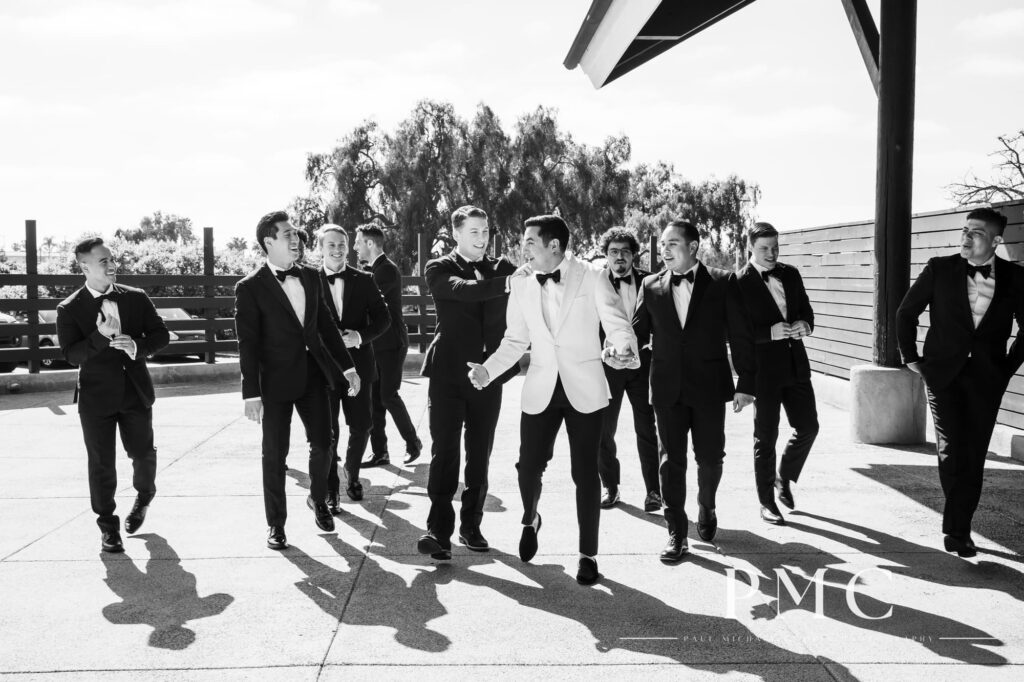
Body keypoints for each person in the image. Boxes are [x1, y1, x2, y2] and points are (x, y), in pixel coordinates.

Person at [468, 215, 639, 586]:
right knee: (527, 468)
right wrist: (487, 370)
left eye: (530, 241)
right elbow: (515, 340)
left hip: (587, 390)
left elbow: (617, 322)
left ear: (554, 246)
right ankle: (531, 517)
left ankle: (587, 555)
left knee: (585, 475)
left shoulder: (593, 276)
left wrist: (623, 349)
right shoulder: (521, 284)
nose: (524, 248)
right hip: (541, 389)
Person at [896, 207, 1024, 558]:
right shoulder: (939, 268)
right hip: (941, 375)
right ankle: (958, 530)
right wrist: (912, 359)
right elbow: (906, 313)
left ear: (996, 241)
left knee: (974, 453)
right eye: (965, 230)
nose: (966, 237)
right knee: (951, 451)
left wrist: (1005, 368)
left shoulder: (1016, 278)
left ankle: (958, 529)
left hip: (987, 377)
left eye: (977, 233)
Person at [235, 210, 361, 550]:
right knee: (274, 455)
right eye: (287, 234)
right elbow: (247, 344)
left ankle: (318, 498)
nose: (296, 239)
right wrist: (251, 394)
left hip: (313, 375)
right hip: (274, 383)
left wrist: (347, 367)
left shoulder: (310, 277)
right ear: (268, 242)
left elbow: (324, 328)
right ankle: (276, 524)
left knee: (324, 442)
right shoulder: (249, 288)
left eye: (296, 234)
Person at [633, 220, 755, 563]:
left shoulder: (722, 281)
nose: (666, 250)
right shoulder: (651, 285)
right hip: (667, 387)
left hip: (709, 387)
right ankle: (676, 533)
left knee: (711, 457)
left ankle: (707, 505)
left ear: (693, 247)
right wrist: (620, 349)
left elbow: (741, 334)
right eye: (664, 244)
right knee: (671, 462)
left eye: (673, 244)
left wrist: (746, 383)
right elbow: (638, 332)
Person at [417, 206, 525, 560]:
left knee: (480, 452)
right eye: (474, 232)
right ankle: (438, 531)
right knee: (444, 451)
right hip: (447, 374)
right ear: (457, 234)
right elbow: (463, 291)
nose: (482, 238)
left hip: (488, 375)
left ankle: (471, 525)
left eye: (485, 231)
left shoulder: (503, 267)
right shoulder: (438, 267)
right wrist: (507, 283)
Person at [57, 237, 170, 552]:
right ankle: (108, 527)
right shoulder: (68, 308)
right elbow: (72, 355)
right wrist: (99, 336)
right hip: (96, 400)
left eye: (112, 259)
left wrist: (136, 346)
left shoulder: (136, 298)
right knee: (101, 464)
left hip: (135, 392)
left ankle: (144, 496)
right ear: (84, 266)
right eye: (104, 261)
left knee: (143, 455)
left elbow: (161, 335)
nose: (112, 265)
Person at [734, 222, 818, 526]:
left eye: (775, 247)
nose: (771, 254)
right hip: (763, 373)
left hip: (796, 366)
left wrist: (805, 326)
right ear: (750, 249)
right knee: (765, 438)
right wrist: (767, 333)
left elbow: (807, 312)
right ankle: (766, 502)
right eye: (764, 249)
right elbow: (736, 333)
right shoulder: (738, 282)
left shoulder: (791, 274)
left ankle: (783, 476)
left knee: (808, 427)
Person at [316, 225, 391, 514]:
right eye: (331, 245)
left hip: (360, 365)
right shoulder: (309, 280)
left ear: (348, 248)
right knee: (328, 431)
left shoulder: (365, 279)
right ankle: (332, 490)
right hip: (324, 368)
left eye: (342, 245)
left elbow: (384, 319)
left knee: (362, 425)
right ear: (321, 248)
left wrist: (359, 337)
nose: (337, 250)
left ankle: (353, 474)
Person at [595, 227, 663, 513]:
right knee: (602, 430)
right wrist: (605, 351)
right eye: (613, 251)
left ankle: (653, 492)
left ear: (634, 254)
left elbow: (660, 323)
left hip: (643, 366)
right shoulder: (594, 282)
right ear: (605, 255)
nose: (619, 257)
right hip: (606, 366)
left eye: (625, 251)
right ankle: (611, 486)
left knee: (647, 428)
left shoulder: (651, 281)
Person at [354, 224, 422, 466]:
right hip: (375, 344)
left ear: (370, 244)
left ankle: (413, 442)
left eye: (358, 242)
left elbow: (370, 306)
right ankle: (380, 452)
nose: (354, 247)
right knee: (374, 398)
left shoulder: (387, 271)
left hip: (392, 343)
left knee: (388, 395)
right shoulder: (372, 270)